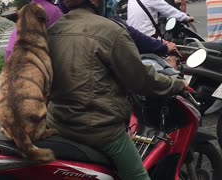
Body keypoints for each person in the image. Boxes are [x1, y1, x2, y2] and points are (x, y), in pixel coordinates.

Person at [47, 0, 187, 180]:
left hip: (58, 124)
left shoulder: (52, 31)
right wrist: (175, 83)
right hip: (99, 131)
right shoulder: (111, 31)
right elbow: (141, 79)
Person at [127, 0, 193, 37]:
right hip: (147, 35)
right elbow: (168, 10)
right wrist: (186, 18)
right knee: (171, 50)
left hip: (132, 35)